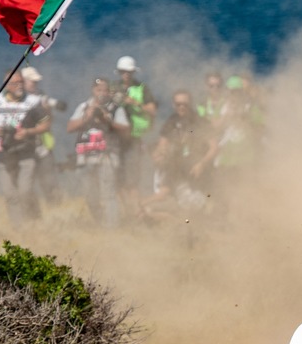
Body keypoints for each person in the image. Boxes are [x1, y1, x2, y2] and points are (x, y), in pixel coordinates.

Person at [139, 89, 217, 224]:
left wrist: (202, 164)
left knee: (195, 207)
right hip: (177, 171)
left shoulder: (200, 122)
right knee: (180, 205)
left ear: (190, 104)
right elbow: (163, 144)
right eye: (178, 104)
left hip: (197, 173)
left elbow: (214, 147)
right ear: (173, 105)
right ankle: (181, 226)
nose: (181, 107)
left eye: (185, 104)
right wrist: (159, 154)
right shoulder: (172, 122)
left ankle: (195, 224)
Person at [0, 71, 50, 223]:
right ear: (6, 86)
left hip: (27, 152)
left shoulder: (33, 101)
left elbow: (46, 123)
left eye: (21, 82)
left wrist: (28, 132)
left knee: (25, 190)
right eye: (15, 83)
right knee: (10, 193)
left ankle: (34, 220)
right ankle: (19, 229)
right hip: (4, 152)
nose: (20, 85)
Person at [67, 77, 131, 227]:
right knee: (90, 195)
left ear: (109, 92)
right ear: (93, 90)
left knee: (108, 193)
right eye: (98, 89)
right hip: (85, 157)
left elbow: (126, 130)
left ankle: (112, 229)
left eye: (105, 90)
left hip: (107, 155)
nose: (102, 93)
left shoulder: (116, 108)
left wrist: (108, 121)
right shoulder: (83, 107)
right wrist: (86, 117)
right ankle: (101, 222)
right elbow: (70, 127)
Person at [111, 56, 157, 215]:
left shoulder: (142, 88)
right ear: (119, 72)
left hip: (134, 139)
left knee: (132, 179)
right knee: (117, 179)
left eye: (129, 72)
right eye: (123, 71)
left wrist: (133, 102)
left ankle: (136, 213)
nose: (126, 74)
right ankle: (125, 212)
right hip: (116, 140)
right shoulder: (112, 88)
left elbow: (152, 110)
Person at [22, 65, 65, 203]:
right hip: (22, 149)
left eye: (36, 81)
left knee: (49, 183)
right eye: (32, 81)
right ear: (23, 81)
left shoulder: (41, 97)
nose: (35, 84)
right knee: (25, 186)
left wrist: (48, 111)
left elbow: (48, 123)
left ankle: (55, 212)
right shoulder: (16, 100)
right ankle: (32, 217)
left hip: (42, 148)